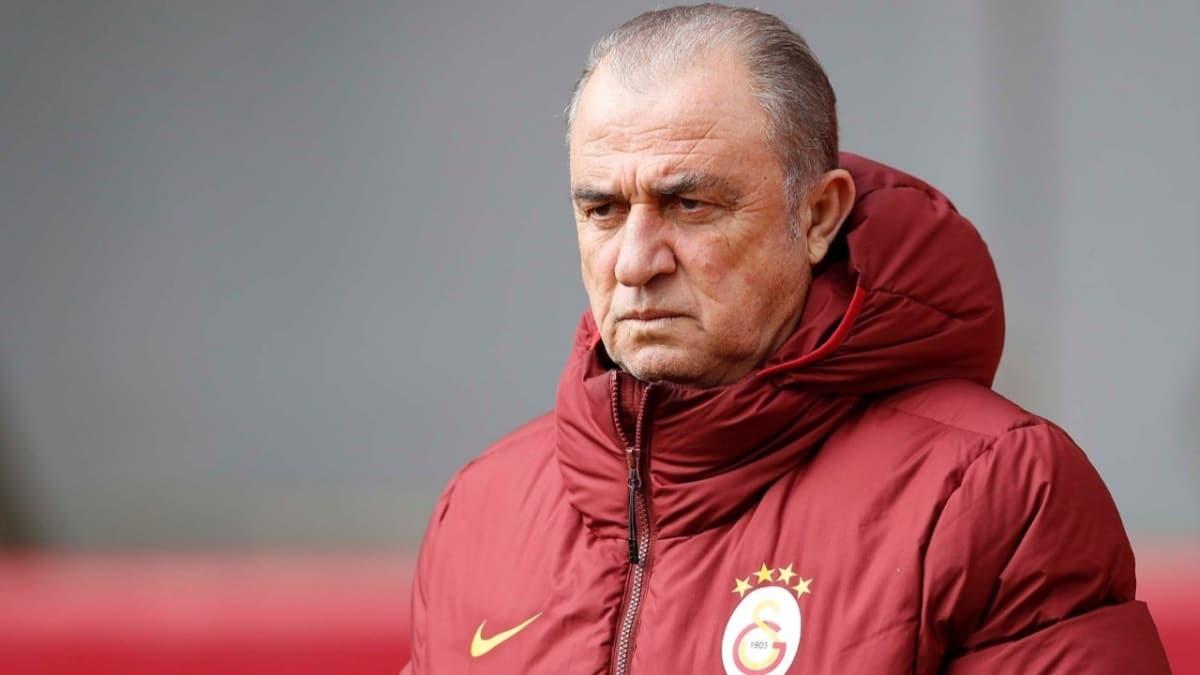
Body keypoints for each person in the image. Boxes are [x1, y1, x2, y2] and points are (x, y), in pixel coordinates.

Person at [402, 4, 1170, 673]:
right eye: (602, 210)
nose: (634, 262)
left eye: (691, 204)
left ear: (818, 216)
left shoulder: (993, 490)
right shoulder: (480, 511)